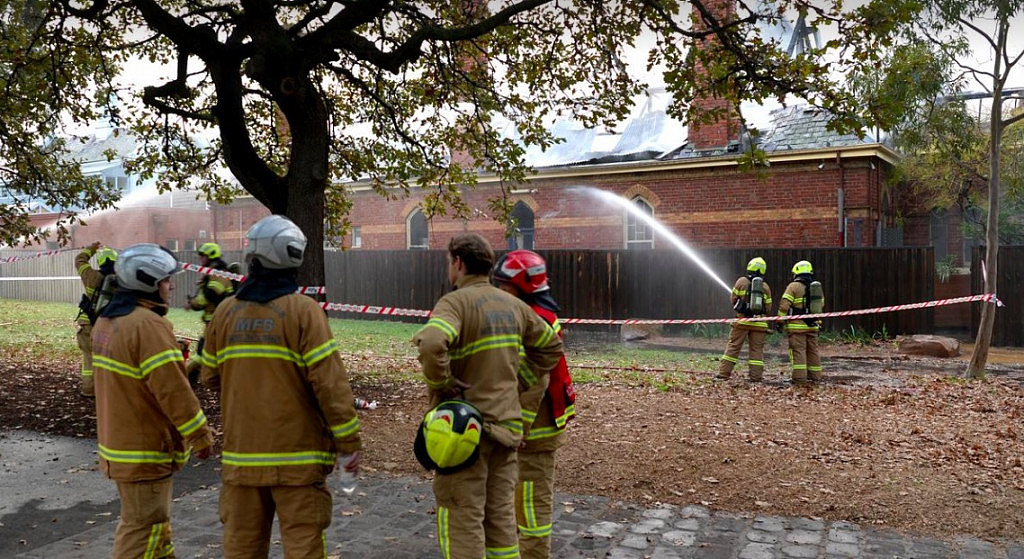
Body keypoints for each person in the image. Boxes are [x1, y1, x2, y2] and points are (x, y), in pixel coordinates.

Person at [200, 215, 362, 559]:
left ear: (254, 257)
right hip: (298, 462)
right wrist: (348, 444)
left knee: (241, 548)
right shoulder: (305, 312)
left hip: (242, 458)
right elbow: (331, 387)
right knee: (303, 546)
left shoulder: (225, 313)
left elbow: (210, 377)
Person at [413, 234, 564, 559]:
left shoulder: (455, 302)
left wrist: (443, 383)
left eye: (448, 262)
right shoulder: (513, 305)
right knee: (500, 524)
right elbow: (551, 347)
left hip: (465, 436)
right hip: (505, 435)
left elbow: (431, 343)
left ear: (459, 263)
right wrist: (518, 384)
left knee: (461, 518)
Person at [91, 243, 213, 558]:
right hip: (144, 450)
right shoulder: (148, 326)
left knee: (156, 531)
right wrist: (199, 435)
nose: (170, 285)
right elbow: (173, 390)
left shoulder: (107, 322)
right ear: (148, 283)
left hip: (119, 449)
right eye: (165, 279)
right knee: (143, 529)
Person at [491, 249, 576, 559]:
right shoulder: (536, 312)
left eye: (504, 286)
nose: (499, 292)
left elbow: (535, 381)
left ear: (523, 286)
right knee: (517, 502)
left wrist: (517, 426)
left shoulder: (533, 320)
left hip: (534, 431)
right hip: (535, 427)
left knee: (531, 509)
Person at [717, 257, 774, 382]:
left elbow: (733, 299)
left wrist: (743, 309)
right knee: (756, 350)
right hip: (759, 323)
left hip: (742, 321)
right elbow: (769, 308)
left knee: (734, 346)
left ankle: (723, 374)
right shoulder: (765, 287)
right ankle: (756, 377)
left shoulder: (741, 281)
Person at [184, 242, 234, 385]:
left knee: (201, 354)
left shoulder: (218, 273)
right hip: (214, 321)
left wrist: (193, 303)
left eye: (203, 256)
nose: (200, 260)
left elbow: (211, 295)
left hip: (218, 322)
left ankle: (186, 380)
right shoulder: (213, 272)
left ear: (211, 255)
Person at [74, 241, 117, 397]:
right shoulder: (122, 281)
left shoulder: (91, 276)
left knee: (89, 359)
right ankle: (109, 390)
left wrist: (91, 249)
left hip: (88, 324)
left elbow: (79, 260)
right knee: (110, 358)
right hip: (110, 326)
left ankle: (89, 389)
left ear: (100, 261)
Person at [776, 260, 825, 383]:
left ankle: (799, 379)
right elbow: (821, 304)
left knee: (799, 352)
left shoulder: (793, 286)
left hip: (797, 327)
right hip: (813, 326)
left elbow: (784, 306)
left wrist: (780, 321)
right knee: (813, 352)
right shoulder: (816, 288)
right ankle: (815, 377)